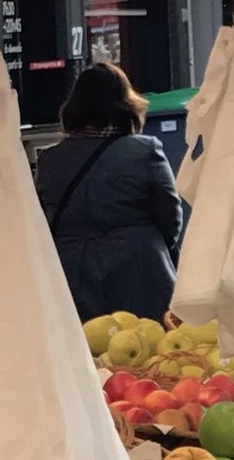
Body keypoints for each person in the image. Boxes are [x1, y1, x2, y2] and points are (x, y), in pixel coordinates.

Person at [33, 62, 182, 318]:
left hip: (72, 277)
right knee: (152, 348)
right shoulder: (146, 151)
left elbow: (42, 223)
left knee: (87, 351)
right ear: (126, 105)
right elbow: (171, 216)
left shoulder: (49, 161)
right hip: (141, 272)